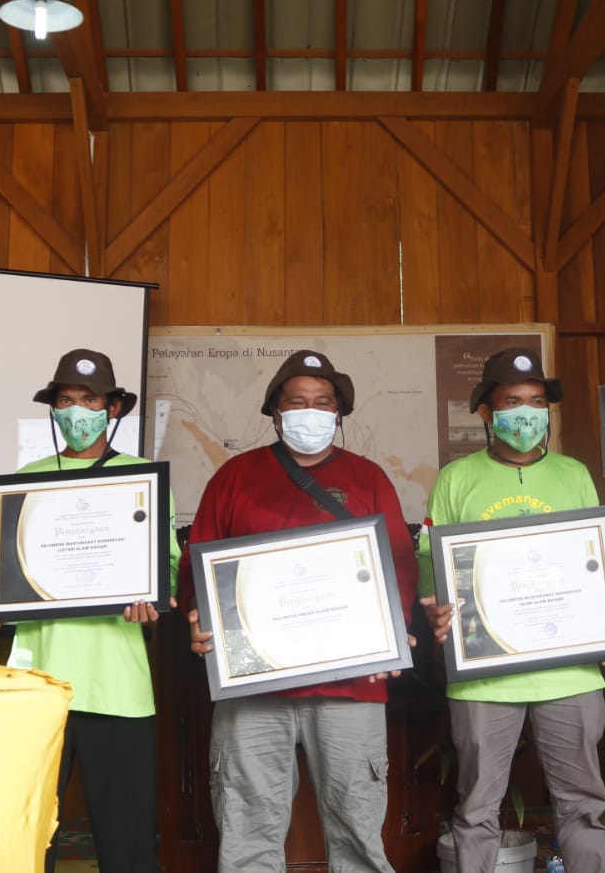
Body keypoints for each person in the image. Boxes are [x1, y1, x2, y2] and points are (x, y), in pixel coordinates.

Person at [183, 350, 419, 872]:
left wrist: (394, 629)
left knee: (358, 827)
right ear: (275, 412)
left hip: (353, 681)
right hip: (251, 686)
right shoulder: (234, 477)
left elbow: (399, 562)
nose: (310, 413)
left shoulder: (368, 477)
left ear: (338, 415)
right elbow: (198, 565)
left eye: (323, 403)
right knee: (247, 827)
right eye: (297, 402)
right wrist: (200, 618)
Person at [417, 347, 605, 873]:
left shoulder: (573, 474)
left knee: (583, 805)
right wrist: (433, 606)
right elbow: (431, 561)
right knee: (476, 808)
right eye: (512, 402)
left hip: (570, 671)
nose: (527, 414)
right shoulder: (455, 479)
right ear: (487, 413)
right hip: (484, 676)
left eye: (536, 402)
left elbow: (595, 560)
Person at [0, 349, 180, 873]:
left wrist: (154, 599)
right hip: (37, 685)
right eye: (66, 400)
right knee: (25, 833)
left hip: (118, 686)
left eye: (90, 400)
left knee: (127, 838)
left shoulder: (143, 480)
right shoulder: (28, 478)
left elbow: (168, 573)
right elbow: (11, 577)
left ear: (112, 408)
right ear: (53, 409)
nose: (77, 410)